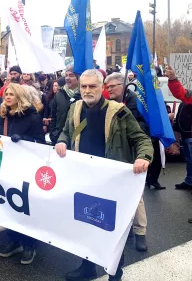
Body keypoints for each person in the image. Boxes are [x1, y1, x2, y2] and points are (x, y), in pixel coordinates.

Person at [56, 69, 153, 281]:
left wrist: (143, 156)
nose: (87, 90)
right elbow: (68, 132)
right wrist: (62, 141)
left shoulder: (119, 112)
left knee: (112, 230)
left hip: (112, 182)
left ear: (102, 88)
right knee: (85, 224)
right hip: (84, 179)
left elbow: (141, 139)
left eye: (92, 86)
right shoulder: (76, 109)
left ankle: (115, 272)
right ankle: (87, 267)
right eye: (84, 86)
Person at [0, 82, 44, 264]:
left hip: (24, 168)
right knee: (8, 205)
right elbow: (1, 139)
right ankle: (14, 240)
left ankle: (29, 244)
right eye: (6, 93)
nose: (7, 97)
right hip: (6, 166)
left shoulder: (32, 117)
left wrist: (26, 140)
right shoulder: (3, 115)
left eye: (11, 94)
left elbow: (40, 143)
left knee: (23, 208)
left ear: (20, 97)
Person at [104, 72, 154, 252]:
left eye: (113, 86)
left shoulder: (135, 102)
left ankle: (140, 233)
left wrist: (126, 123)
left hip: (133, 156)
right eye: (107, 87)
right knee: (118, 196)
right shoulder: (108, 105)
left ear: (123, 85)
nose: (109, 89)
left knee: (136, 198)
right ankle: (126, 229)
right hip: (116, 155)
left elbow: (144, 127)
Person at [165, 65, 192, 190]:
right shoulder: (189, 96)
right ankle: (190, 181)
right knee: (189, 159)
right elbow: (181, 93)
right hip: (187, 134)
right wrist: (173, 78)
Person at [49, 66, 81, 145]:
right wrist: (53, 133)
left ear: (79, 78)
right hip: (59, 139)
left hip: (77, 141)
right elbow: (53, 116)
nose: (67, 78)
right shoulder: (59, 94)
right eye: (66, 75)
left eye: (71, 75)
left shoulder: (83, 95)